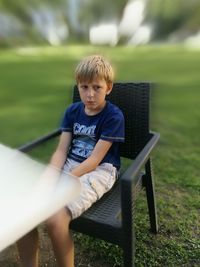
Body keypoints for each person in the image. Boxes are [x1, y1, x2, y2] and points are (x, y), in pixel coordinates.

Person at [17, 55, 125, 267]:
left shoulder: (114, 116)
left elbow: (94, 160)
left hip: (100, 170)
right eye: (84, 87)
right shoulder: (73, 112)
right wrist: (50, 176)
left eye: (97, 87)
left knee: (55, 219)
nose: (90, 94)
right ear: (78, 86)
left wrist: (64, 180)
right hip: (70, 164)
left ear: (108, 88)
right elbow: (61, 151)